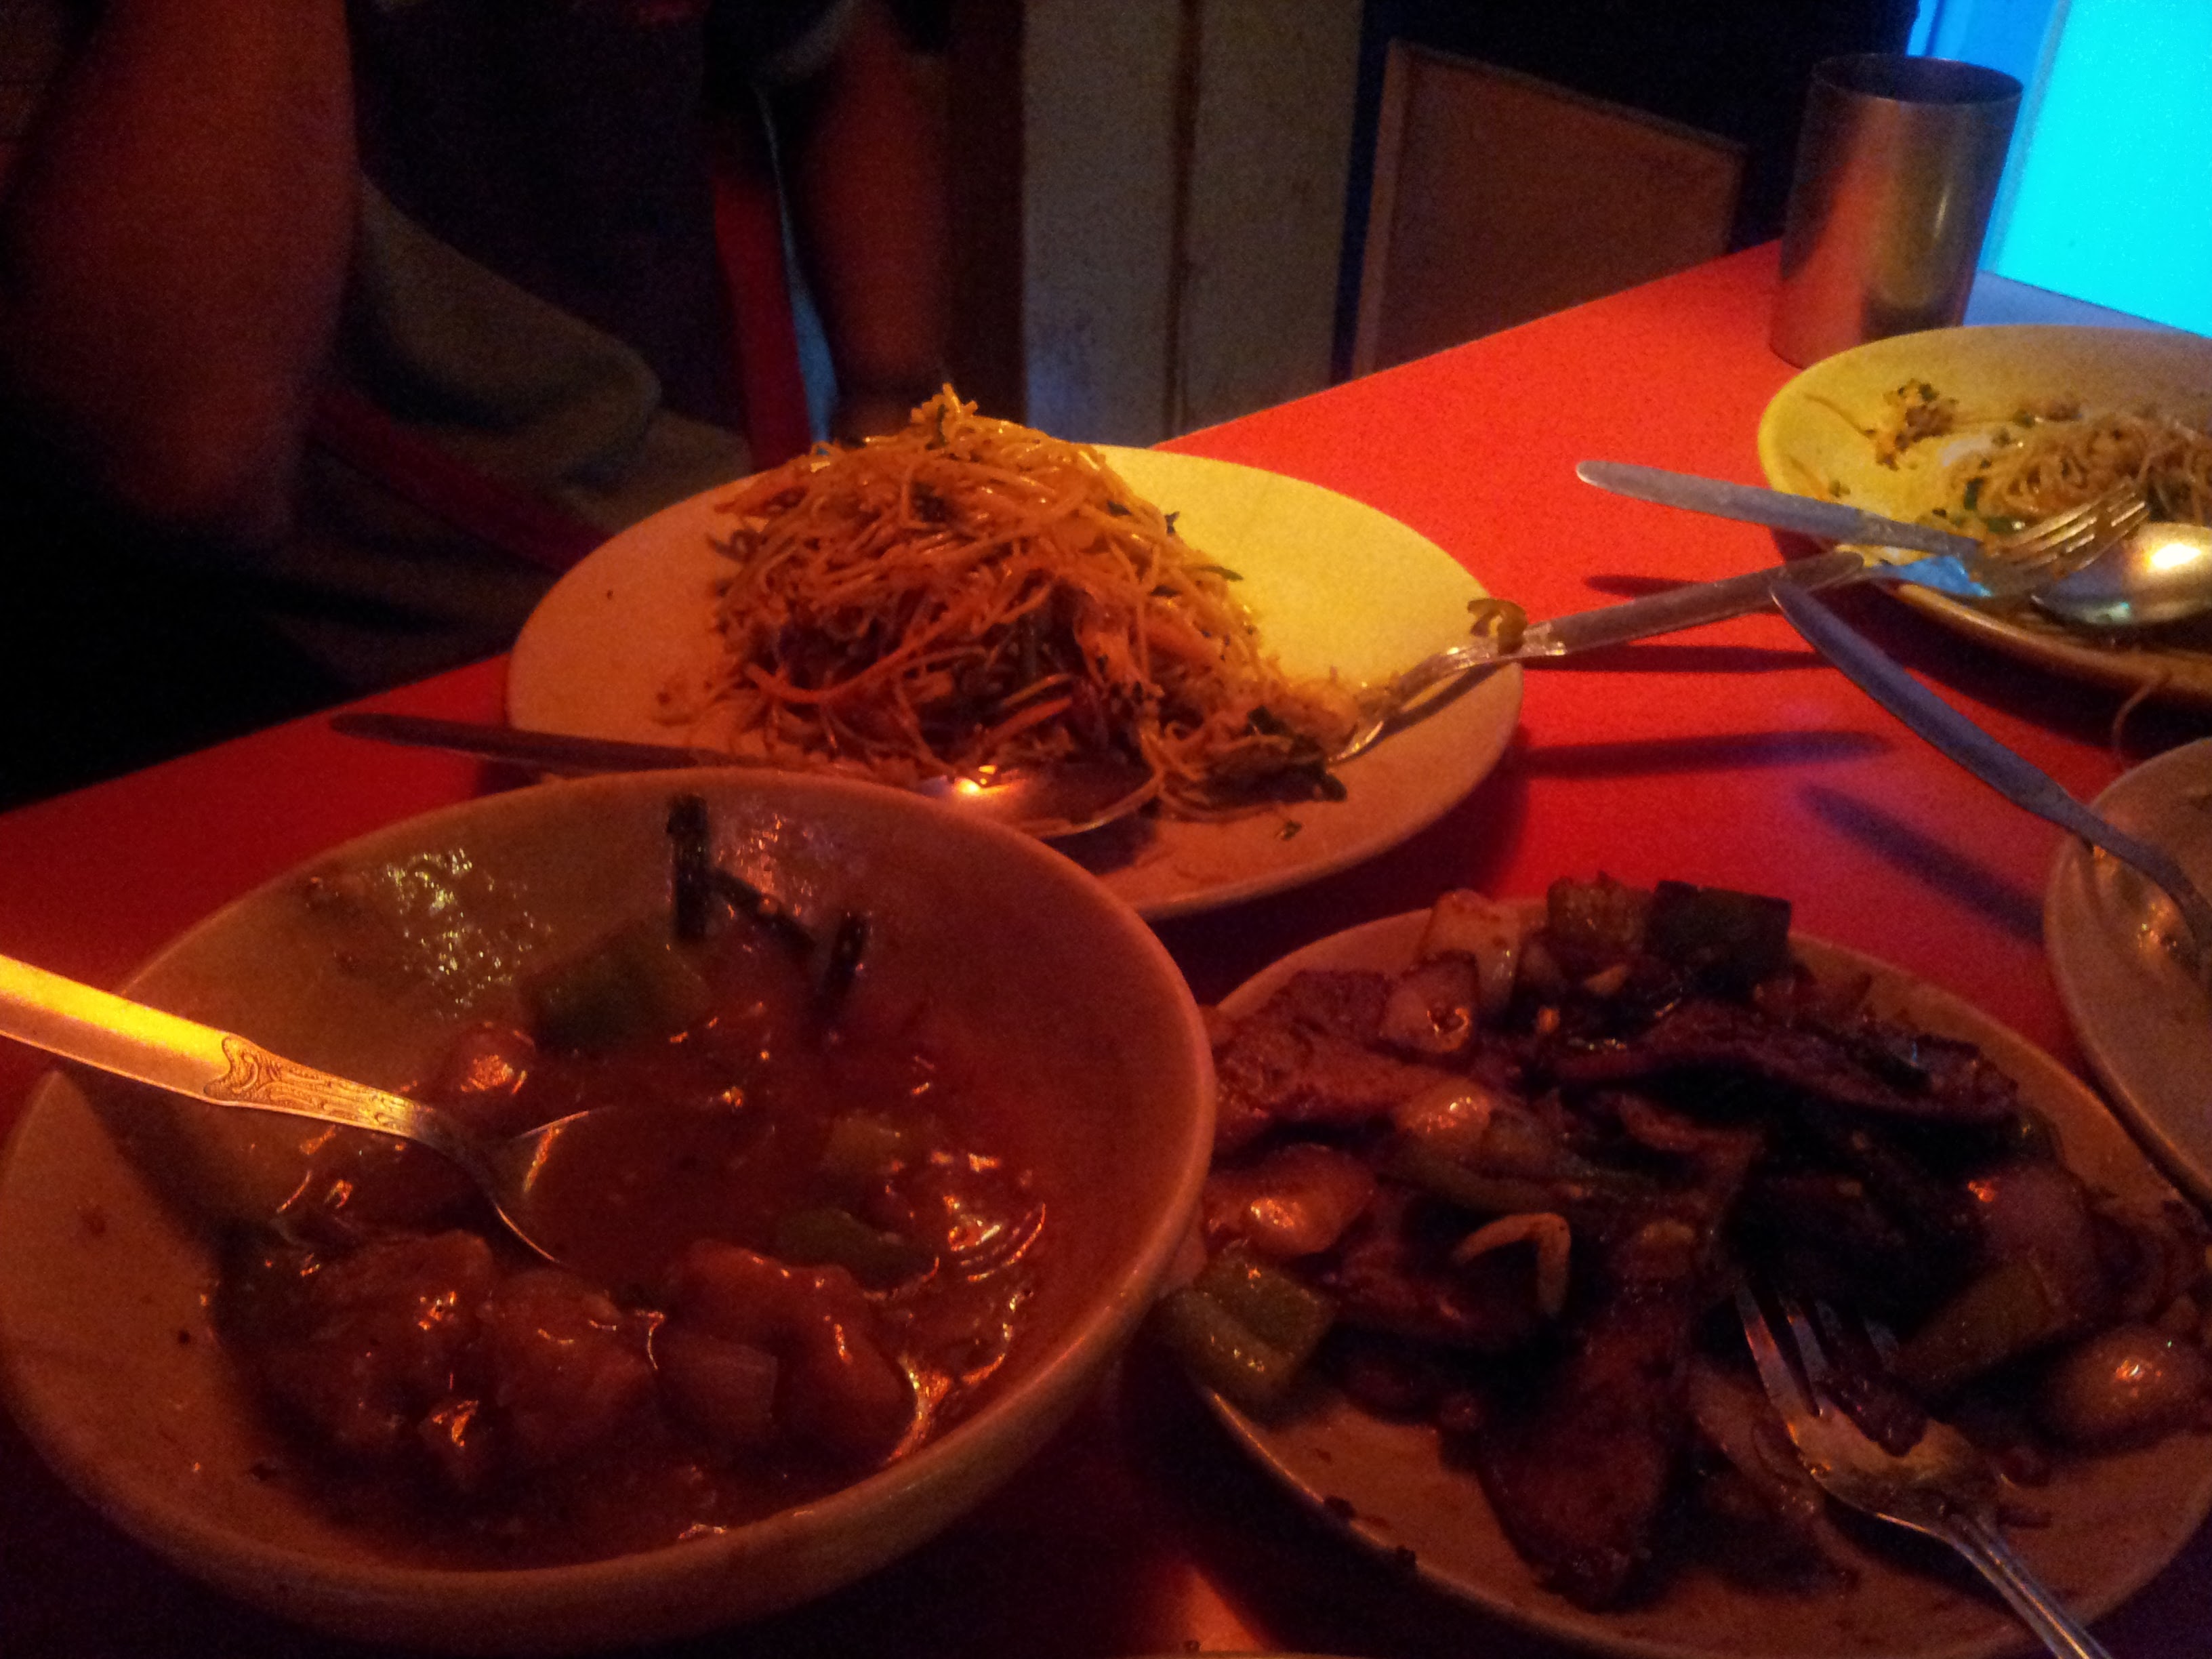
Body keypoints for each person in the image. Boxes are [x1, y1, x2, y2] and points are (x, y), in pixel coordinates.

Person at [0, 0, 947, 805]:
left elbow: (833, 52)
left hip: (729, 585)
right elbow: (189, 452)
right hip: (332, 704)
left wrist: (885, 411)